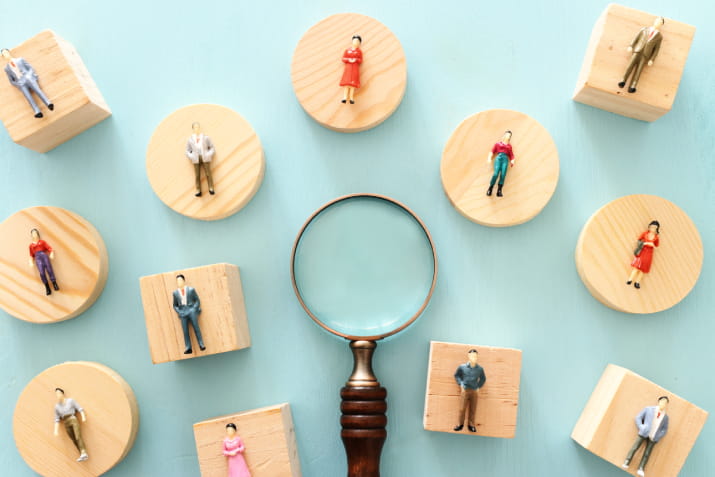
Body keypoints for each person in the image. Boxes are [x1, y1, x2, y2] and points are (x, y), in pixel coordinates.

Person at [623, 396, 670, 477]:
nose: (663, 404)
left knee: (647, 453)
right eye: (662, 401)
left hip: (653, 436)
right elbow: (638, 417)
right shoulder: (649, 409)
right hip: (644, 432)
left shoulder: (665, 417)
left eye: (665, 403)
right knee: (635, 447)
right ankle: (627, 461)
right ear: (658, 402)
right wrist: (642, 427)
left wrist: (658, 436)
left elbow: (664, 429)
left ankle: (641, 468)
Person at [2, 48, 54, 118]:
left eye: (6, 52)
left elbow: (30, 68)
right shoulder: (7, 68)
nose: (6, 55)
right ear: (3, 57)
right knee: (28, 97)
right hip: (20, 82)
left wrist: (29, 75)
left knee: (38, 90)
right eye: (4, 54)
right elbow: (11, 80)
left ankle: (48, 103)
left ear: (9, 52)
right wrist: (18, 84)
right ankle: (37, 111)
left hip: (28, 78)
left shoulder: (20, 60)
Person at [618, 17, 664, 94]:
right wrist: (631, 46)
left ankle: (633, 86)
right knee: (630, 66)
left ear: (661, 25)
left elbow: (656, 49)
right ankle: (623, 80)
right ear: (654, 21)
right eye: (657, 21)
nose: (658, 23)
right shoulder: (644, 29)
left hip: (645, 55)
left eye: (660, 22)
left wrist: (652, 59)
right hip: (637, 50)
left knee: (638, 71)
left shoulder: (659, 36)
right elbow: (636, 38)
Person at [453, 349, 486, 433]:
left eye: (475, 356)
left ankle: (471, 425)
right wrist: (460, 384)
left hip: (474, 391)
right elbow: (456, 375)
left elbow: (483, 378)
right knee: (462, 408)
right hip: (465, 390)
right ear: (468, 356)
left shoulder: (480, 369)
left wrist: (479, 386)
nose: (473, 357)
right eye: (472, 356)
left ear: (477, 357)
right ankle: (460, 424)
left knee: (473, 408)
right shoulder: (462, 367)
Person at [172, 274, 206, 354]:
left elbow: (197, 300)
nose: (179, 282)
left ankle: (201, 344)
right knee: (185, 330)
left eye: (180, 280)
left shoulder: (191, 290)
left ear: (184, 280)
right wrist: (179, 311)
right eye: (177, 281)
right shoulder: (175, 293)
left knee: (196, 327)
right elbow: (174, 305)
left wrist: (194, 308)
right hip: (183, 311)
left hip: (191, 310)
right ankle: (188, 347)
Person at [53, 388, 89, 462]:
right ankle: (82, 454)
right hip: (66, 422)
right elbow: (57, 419)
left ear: (62, 393)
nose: (58, 395)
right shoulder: (57, 406)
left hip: (72, 419)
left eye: (59, 393)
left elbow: (79, 408)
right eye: (56, 394)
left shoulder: (70, 401)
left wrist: (83, 417)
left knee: (77, 435)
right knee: (73, 439)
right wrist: (56, 430)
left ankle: (84, 452)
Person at [185, 122, 216, 197]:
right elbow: (187, 150)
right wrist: (191, 156)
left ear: (200, 128)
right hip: (196, 158)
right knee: (197, 175)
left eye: (198, 127)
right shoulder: (190, 139)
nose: (197, 129)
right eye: (195, 127)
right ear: (192, 129)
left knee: (208, 174)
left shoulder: (205, 138)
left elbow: (212, 148)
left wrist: (209, 154)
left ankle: (211, 188)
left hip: (204, 156)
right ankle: (198, 190)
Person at [626, 220, 660, 289]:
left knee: (643, 269)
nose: (653, 229)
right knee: (636, 267)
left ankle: (637, 282)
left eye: (655, 228)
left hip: (649, 253)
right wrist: (645, 243)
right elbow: (638, 241)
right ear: (649, 227)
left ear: (657, 229)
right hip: (642, 251)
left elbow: (656, 246)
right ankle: (630, 279)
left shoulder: (656, 237)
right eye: (652, 227)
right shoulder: (645, 234)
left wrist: (652, 245)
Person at [28, 228, 59, 296]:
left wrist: (51, 253)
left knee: (49, 270)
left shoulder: (42, 242)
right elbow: (31, 255)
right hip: (38, 258)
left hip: (44, 256)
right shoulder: (31, 246)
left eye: (35, 233)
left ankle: (54, 283)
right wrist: (30, 262)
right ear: (31, 235)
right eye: (33, 233)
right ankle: (47, 287)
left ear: (38, 234)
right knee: (42, 273)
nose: (34, 234)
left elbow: (49, 248)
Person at [486, 130, 515, 197]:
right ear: (504, 135)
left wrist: (512, 160)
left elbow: (511, 155)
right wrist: (489, 158)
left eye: (509, 136)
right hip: (498, 158)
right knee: (495, 173)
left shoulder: (509, 146)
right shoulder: (498, 144)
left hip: (505, 160)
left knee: (503, 174)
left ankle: (499, 190)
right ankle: (490, 188)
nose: (508, 136)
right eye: (507, 135)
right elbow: (492, 151)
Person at [340, 35, 363, 104]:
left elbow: (360, 60)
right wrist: (349, 60)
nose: (356, 42)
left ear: (359, 43)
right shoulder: (347, 50)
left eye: (357, 41)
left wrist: (355, 60)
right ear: (352, 41)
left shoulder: (359, 52)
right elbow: (343, 59)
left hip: (355, 68)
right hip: (348, 68)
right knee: (347, 83)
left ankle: (351, 98)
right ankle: (344, 97)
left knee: (353, 84)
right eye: (355, 40)